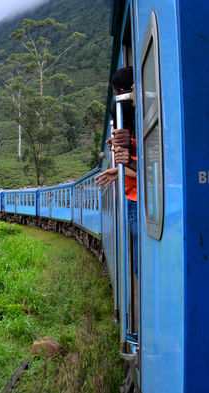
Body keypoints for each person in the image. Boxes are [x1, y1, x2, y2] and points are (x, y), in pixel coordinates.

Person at [95, 66, 138, 281]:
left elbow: (155, 173)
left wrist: (126, 164)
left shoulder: (146, 134)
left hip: (140, 202)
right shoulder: (134, 135)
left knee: (140, 265)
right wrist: (118, 170)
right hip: (134, 198)